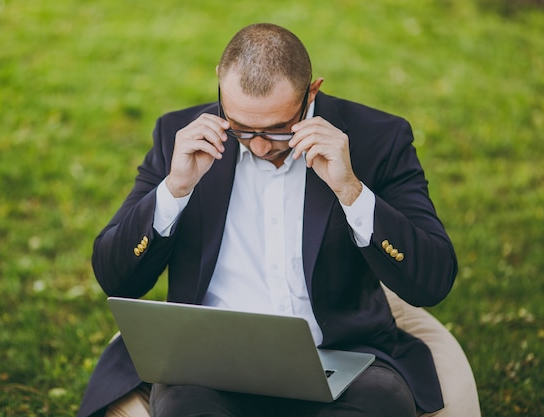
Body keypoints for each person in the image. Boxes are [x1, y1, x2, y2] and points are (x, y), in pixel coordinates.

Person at [77, 23, 458, 417]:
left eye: (278, 130)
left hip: (346, 361)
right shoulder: (179, 136)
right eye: (242, 127)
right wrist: (174, 189)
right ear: (221, 88)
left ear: (312, 92)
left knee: (382, 404)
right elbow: (115, 277)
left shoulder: (378, 139)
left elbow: (432, 281)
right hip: (208, 367)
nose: (258, 145)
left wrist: (352, 192)